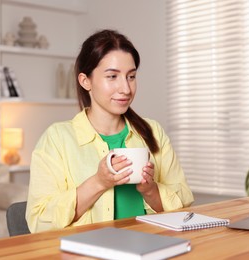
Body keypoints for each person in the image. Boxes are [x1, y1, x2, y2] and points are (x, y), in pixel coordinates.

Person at [26, 29, 194, 233]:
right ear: (85, 81)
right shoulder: (56, 139)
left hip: (152, 247)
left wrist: (151, 190)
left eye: (131, 76)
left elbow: (185, 206)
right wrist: (99, 182)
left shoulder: (152, 131)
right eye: (112, 76)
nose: (126, 88)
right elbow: (39, 221)